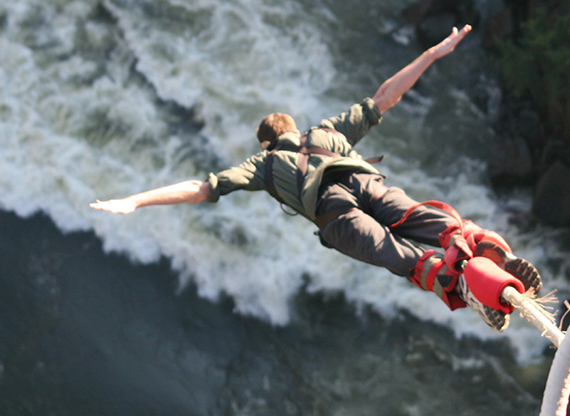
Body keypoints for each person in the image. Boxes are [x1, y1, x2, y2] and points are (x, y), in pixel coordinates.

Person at [90, 25, 542, 332]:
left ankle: (464, 285)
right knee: (440, 225)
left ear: (268, 143)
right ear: (293, 127)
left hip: (337, 215)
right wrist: (432, 53)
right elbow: (388, 96)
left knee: (408, 261)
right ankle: (483, 248)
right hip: (369, 186)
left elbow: (202, 188)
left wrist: (135, 201)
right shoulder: (325, 132)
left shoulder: (264, 166)